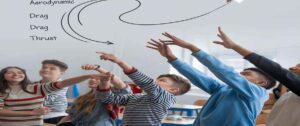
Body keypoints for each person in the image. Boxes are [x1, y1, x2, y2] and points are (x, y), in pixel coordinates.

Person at [147, 32, 276, 126]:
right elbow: (198, 76)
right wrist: (172, 58)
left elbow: (227, 73)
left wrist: (192, 48)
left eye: (246, 74)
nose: (240, 75)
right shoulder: (223, 89)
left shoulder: (258, 93)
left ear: (261, 83)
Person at [213, 26, 300, 126]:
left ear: (262, 83)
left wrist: (235, 47)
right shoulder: (290, 95)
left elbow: (277, 71)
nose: (292, 68)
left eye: (299, 66)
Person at [95, 52, 191, 126]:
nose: (155, 81)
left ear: (173, 90)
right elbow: (107, 98)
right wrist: (104, 82)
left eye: (162, 80)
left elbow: (147, 83)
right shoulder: (137, 96)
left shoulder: (167, 98)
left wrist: (119, 61)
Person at [0, 66, 100, 126]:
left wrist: (87, 76)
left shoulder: (36, 88)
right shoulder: (1, 91)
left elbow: (62, 83)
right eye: (10, 72)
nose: (16, 74)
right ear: (3, 76)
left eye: (19, 72)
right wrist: (31, 113)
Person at [57, 64, 131, 126]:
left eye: (97, 79)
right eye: (91, 78)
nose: (92, 80)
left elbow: (121, 85)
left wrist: (97, 68)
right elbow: (70, 116)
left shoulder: (111, 97)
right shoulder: (82, 98)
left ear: (108, 81)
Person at [36, 59, 69, 124]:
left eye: (52, 68)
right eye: (44, 67)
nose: (46, 69)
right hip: (37, 115)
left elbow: (45, 101)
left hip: (56, 116)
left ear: (61, 73)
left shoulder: (61, 84)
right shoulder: (35, 84)